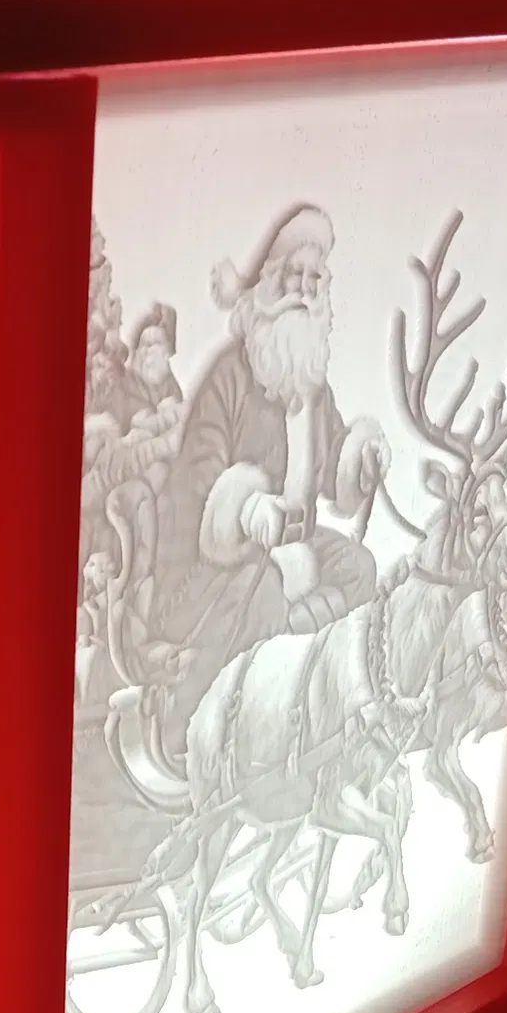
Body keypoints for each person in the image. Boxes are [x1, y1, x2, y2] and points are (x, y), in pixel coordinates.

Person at [151, 203, 390, 735]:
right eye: (293, 276)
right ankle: (199, 727)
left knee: (360, 568)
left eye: (314, 279)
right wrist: (247, 509)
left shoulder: (312, 385)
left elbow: (332, 467)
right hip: (214, 562)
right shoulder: (230, 376)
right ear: (268, 286)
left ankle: (320, 706)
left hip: (293, 542)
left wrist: (361, 462)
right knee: (265, 596)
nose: (303, 290)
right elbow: (197, 481)